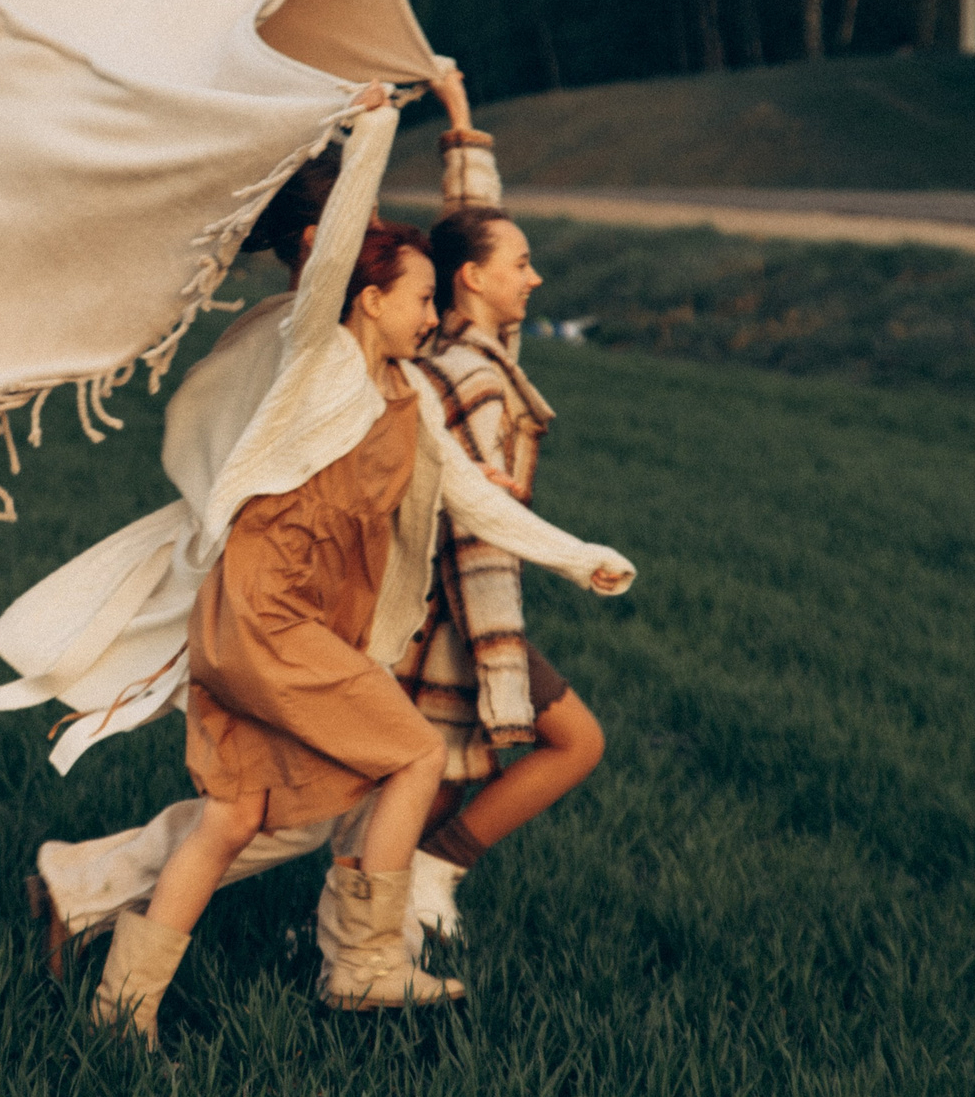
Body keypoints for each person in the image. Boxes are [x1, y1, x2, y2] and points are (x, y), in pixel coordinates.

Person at [85, 171, 637, 1045]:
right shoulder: (319, 361)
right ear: (369, 299)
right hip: (269, 616)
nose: (432, 316)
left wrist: (582, 558)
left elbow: (472, 498)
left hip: (274, 621)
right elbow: (336, 246)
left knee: (232, 819)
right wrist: (373, 128)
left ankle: (121, 1015)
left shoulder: (408, 394)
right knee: (415, 754)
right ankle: (364, 961)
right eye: (420, 299)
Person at [390, 206, 606, 934]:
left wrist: (463, 141)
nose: (534, 277)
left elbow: (468, 220)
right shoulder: (474, 377)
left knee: (437, 785)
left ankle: (383, 920)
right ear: (473, 278)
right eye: (520, 263)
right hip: (453, 610)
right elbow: (475, 531)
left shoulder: (457, 348)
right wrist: (498, 652)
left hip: (436, 605)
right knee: (576, 741)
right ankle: (424, 879)